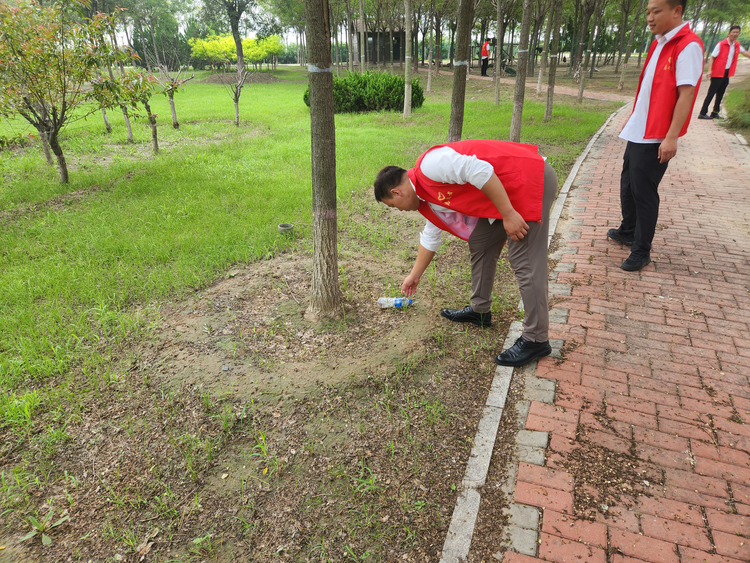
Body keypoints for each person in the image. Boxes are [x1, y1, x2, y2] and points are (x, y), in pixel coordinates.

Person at [373, 140, 558, 368]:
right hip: (504, 192)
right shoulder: (423, 196)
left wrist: (508, 214)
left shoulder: (429, 166)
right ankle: (480, 311)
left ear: (396, 192)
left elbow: (480, 170)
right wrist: (414, 276)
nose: (399, 211)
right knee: (481, 241)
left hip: (527, 180)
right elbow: (431, 236)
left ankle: (536, 338)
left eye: (393, 206)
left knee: (525, 260)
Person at [607, 0, 703, 271]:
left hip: (656, 136)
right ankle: (628, 230)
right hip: (640, 129)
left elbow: (687, 94)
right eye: (648, 12)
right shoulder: (660, 42)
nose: (650, 17)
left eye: (656, 11)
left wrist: (671, 137)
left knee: (644, 193)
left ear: (676, 11)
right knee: (628, 184)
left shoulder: (688, 45)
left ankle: (642, 250)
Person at [698, 26, 750, 120]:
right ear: (729, 33)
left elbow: (745, 53)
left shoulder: (736, 45)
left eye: (737, 32)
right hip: (717, 73)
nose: (735, 34)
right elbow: (712, 57)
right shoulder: (721, 44)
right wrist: (709, 70)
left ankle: (715, 112)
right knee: (711, 93)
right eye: (733, 32)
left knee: (721, 93)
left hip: (726, 73)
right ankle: (702, 112)